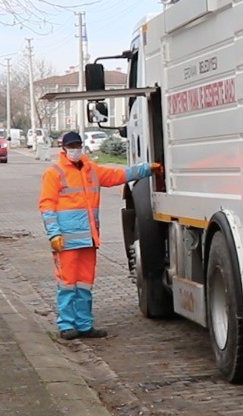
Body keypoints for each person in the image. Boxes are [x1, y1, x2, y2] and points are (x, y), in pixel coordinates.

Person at [38, 131, 160, 340]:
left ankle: (84, 325)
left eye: (78, 146)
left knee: (85, 283)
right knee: (67, 284)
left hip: (88, 239)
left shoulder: (90, 170)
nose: (75, 150)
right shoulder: (54, 173)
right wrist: (54, 234)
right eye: (71, 147)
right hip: (66, 240)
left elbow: (117, 176)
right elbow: (46, 205)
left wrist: (146, 170)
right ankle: (67, 325)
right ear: (64, 148)